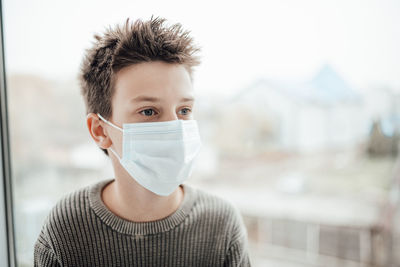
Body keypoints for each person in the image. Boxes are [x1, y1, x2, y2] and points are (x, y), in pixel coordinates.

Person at [34, 15, 251, 267]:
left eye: (184, 110)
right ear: (100, 131)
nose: (175, 128)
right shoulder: (66, 228)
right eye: (149, 111)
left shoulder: (222, 225)